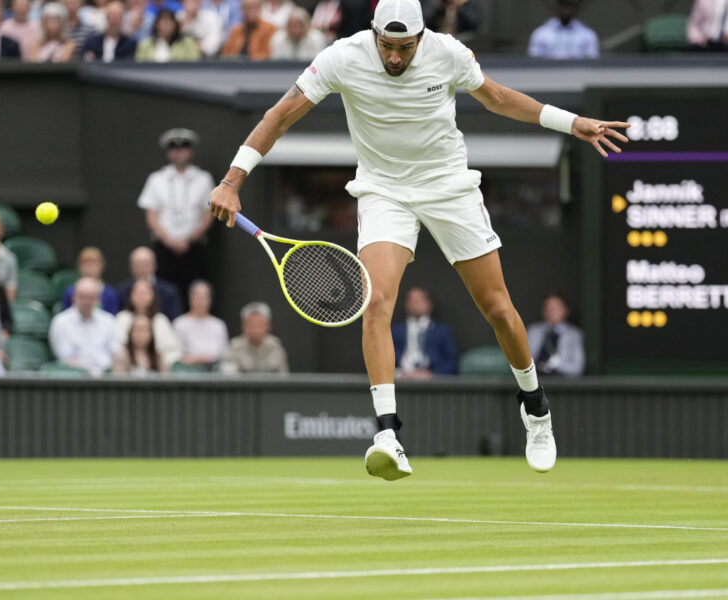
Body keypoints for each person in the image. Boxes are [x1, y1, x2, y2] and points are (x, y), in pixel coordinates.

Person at [208, 0, 629, 479]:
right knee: (377, 302)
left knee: (498, 309)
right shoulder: (341, 57)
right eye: (386, 46)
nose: (393, 58)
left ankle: (535, 407)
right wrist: (232, 179)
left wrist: (570, 122)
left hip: (449, 185)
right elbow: (281, 115)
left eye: (404, 48)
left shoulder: (447, 52)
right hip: (383, 191)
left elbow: (497, 97)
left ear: (421, 38)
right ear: (372, 34)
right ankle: (387, 433)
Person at [137, 128, 214, 305]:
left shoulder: (203, 179)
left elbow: (208, 214)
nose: (179, 152)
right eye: (174, 148)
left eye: (184, 147)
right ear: (168, 152)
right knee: (162, 294)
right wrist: (170, 241)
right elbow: (151, 215)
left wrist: (189, 239)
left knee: (196, 293)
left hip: (194, 249)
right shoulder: (156, 179)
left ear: (191, 151)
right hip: (164, 250)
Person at [48, 277, 119, 376]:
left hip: (107, 377)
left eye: (90, 298)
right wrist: (92, 372)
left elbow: (116, 351)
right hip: (76, 380)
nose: (86, 302)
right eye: (82, 297)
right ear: (74, 297)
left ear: (98, 299)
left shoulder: (108, 320)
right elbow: (65, 358)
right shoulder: (60, 322)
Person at [113, 278, 181, 369]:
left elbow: (173, 351)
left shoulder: (161, 320)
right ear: (131, 295)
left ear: (153, 295)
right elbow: (115, 346)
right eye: (138, 292)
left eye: (145, 292)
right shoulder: (122, 318)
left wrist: (159, 363)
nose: (141, 296)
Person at [390, 286, 457, 378]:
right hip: (399, 378)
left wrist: (432, 374)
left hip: (432, 382)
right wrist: (399, 373)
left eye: (419, 300)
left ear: (429, 304)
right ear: (406, 304)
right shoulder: (395, 330)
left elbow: (451, 360)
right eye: (411, 301)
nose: (415, 304)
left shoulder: (441, 330)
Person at [173, 279, 228, 369]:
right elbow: (176, 355)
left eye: (204, 297)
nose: (201, 301)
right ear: (190, 298)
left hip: (215, 371)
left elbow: (224, 355)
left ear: (210, 300)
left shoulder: (219, 325)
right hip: (188, 370)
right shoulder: (180, 323)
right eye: (198, 297)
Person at [220, 301, 288, 374]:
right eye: (250, 324)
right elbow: (229, 378)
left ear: (268, 326)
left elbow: (283, 377)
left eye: (259, 324)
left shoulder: (276, 346)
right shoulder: (234, 347)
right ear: (243, 326)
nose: (254, 328)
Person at [527, 292, 585, 376]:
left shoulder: (575, 335)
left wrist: (558, 364)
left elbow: (578, 368)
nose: (551, 311)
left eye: (556, 308)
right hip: (535, 381)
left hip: (561, 383)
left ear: (566, 310)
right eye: (548, 308)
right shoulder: (533, 331)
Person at [116, 246, 182, 319]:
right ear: (131, 267)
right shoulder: (121, 291)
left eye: (145, 264)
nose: (141, 268)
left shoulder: (168, 291)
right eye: (137, 264)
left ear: (155, 266)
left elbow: (174, 320)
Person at [527, 0, 599, 60]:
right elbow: (534, 59)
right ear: (558, 6)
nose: (566, 10)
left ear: (575, 8)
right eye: (563, 5)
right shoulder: (540, 33)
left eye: (569, 5)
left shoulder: (588, 34)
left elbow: (592, 59)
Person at [61, 246, 120, 315]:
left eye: (94, 265)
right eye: (86, 265)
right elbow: (66, 315)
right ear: (79, 267)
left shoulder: (110, 294)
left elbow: (113, 317)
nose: (89, 269)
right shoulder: (70, 292)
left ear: (101, 266)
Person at [136, 8, 203, 61]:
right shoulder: (146, 44)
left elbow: (194, 61)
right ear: (157, 25)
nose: (166, 27)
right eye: (163, 23)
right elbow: (140, 64)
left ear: (175, 25)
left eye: (168, 23)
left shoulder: (187, 42)